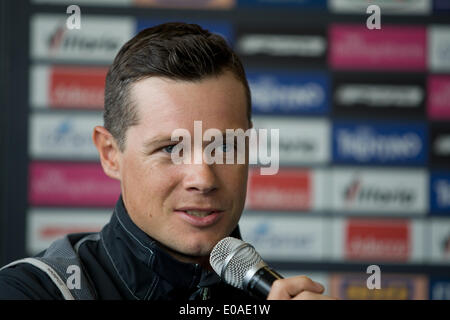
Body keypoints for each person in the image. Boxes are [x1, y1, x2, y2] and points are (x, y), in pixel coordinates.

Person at [0, 22, 333, 300]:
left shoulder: (274, 296)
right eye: (171, 148)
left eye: (226, 146)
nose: (203, 178)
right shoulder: (30, 291)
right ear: (110, 154)